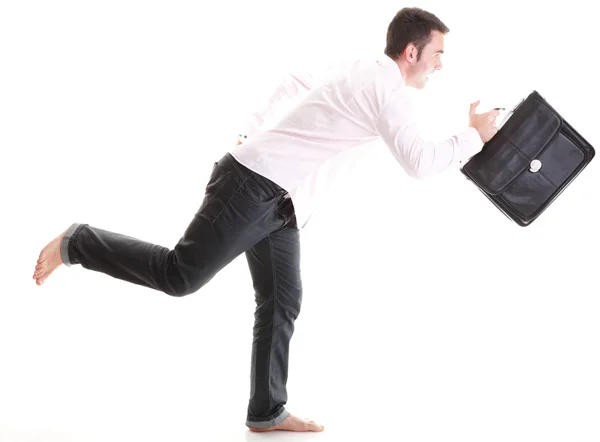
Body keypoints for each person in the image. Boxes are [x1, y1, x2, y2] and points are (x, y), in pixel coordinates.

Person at [32, 7, 499, 433]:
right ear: (411, 50)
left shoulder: (363, 71)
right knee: (179, 276)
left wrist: (251, 135)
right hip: (251, 187)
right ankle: (79, 242)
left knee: (282, 300)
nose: (440, 64)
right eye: (437, 53)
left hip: (280, 204)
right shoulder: (388, 90)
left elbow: (296, 81)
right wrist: (474, 137)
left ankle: (266, 409)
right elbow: (419, 162)